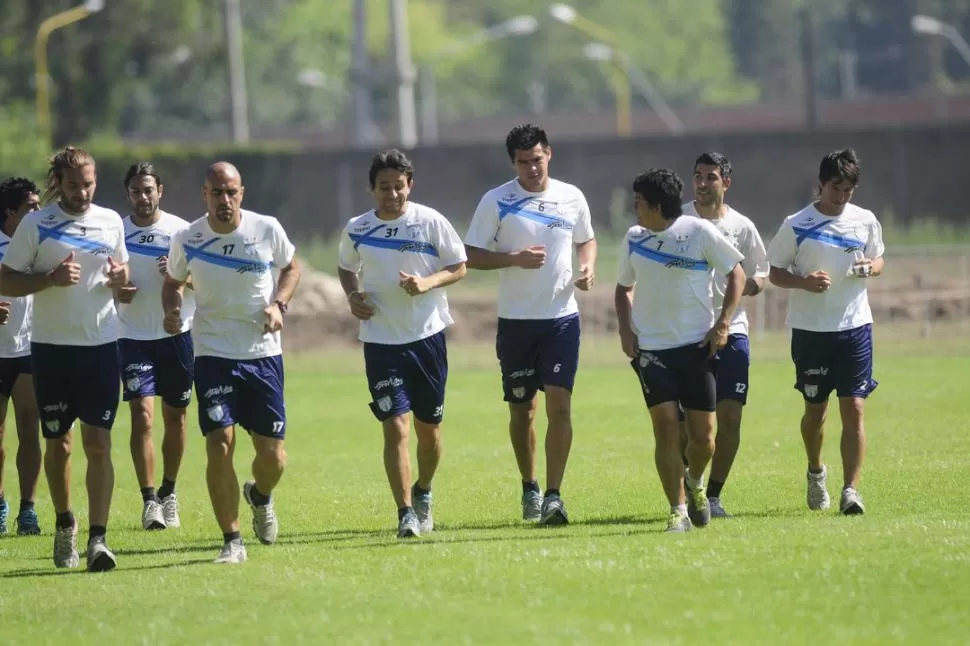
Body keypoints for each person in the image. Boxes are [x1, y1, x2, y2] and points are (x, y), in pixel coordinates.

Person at [163, 162, 300, 564]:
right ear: (204, 194)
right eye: (217, 193)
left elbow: (291, 266)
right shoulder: (187, 238)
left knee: (273, 456)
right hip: (212, 354)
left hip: (262, 354)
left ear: (242, 193)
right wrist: (173, 311)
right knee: (219, 442)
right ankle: (232, 540)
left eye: (232, 192)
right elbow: (173, 282)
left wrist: (279, 304)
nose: (225, 200)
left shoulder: (266, 229)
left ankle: (259, 495)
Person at [0, 147, 129, 571]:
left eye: (88, 184)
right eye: (74, 185)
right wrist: (49, 279)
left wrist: (118, 279)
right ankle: (63, 523)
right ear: (59, 182)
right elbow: (7, 280)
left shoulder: (110, 221)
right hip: (52, 351)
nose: (83, 192)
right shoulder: (37, 224)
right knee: (59, 442)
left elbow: (122, 275)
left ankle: (98, 539)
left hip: (102, 348)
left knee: (99, 442)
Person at [463, 123, 596, 525]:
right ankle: (530, 486)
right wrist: (513, 258)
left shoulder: (571, 197)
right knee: (523, 411)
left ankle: (555, 496)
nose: (531, 169)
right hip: (517, 323)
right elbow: (471, 255)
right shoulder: (496, 200)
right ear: (513, 163)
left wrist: (588, 265)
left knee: (560, 406)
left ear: (549, 154)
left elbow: (585, 238)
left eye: (536, 160)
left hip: (561, 320)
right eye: (523, 163)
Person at [337, 149, 467, 538]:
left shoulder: (430, 221)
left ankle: (423, 490)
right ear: (371, 188)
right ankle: (405, 513)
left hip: (427, 338)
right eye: (383, 187)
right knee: (395, 427)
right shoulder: (357, 228)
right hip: (380, 341)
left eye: (398, 186)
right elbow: (346, 267)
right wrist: (353, 295)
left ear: (410, 185)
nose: (391, 194)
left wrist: (426, 283)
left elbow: (459, 265)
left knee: (430, 432)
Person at [614, 169, 745, 533]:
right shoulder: (634, 238)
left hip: (696, 349)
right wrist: (626, 329)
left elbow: (736, 273)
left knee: (704, 438)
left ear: (656, 205)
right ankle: (677, 510)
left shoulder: (698, 232)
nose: (634, 208)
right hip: (653, 352)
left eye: (639, 201)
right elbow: (623, 288)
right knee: (666, 427)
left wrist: (723, 324)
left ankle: (696, 483)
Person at [766, 148, 884, 516]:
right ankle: (816, 471)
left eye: (849, 189)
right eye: (836, 188)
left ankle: (851, 490)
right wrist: (804, 282)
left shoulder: (864, 220)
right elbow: (774, 271)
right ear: (821, 184)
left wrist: (870, 268)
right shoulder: (796, 223)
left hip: (855, 327)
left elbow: (879, 258)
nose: (842, 196)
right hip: (811, 331)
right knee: (815, 412)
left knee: (855, 407)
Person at [682, 152, 769, 518]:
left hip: (732, 331)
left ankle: (713, 496)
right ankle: (687, 488)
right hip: (686, 331)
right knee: (690, 424)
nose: (703, 184)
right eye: (698, 176)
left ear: (726, 182)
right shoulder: (679, 220)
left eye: (711, 177)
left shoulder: (742, 227)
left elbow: (761, 274)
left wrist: (738, 287)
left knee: (730, 417)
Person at [117, 162, 194, 531]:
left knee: (175, 417)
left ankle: (169, 492)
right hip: (132, 337)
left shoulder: (181, 231)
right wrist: (119, 289)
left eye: (149, 190)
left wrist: (180, 276)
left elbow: (204, 282)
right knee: (142, 417)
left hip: (177, 336)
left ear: (159, 191)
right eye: (136, 191)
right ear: (128, 194)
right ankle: (149, 501)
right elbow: (105, 279)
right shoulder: (116, 231)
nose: (143, 197)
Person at [0, 177, 42, 536]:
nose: (38, 213)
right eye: (31, 207)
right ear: (10, 213)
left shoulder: (40, 245)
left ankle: (28, 509)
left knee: (30, 430)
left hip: (30, 350)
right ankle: (0, 504)